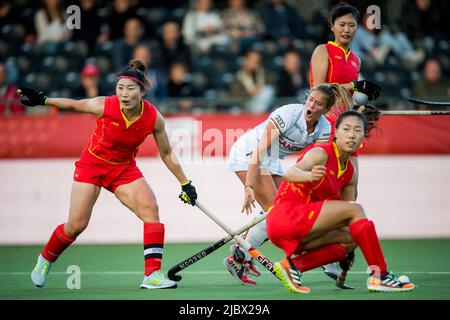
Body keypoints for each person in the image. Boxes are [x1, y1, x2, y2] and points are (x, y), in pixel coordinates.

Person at [17, 59, 198, 289]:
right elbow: (73, 105)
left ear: (142, 92)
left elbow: (167, 153)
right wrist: (44, 100)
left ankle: (152, 275)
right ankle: (45, 259)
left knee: (150, 209)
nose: (124, 94)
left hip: (123, 169)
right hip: (92, 165)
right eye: (120, 88)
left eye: (130, 89)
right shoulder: (104, 105)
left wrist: (185, 183)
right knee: (76, 226)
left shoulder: (154, 118)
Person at [268, 110, 415, 293]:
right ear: (335, 132)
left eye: (357, 130)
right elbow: (289, 173)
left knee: (349, 239)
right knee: (355, 210)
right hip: (285, 218)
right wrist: (307, 175)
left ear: (362, 137)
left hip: (305, 227)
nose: (352, 134)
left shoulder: (350, 174)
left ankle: (292, 266)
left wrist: (349, 252)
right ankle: (380, 275)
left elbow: (350, 218)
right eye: (346, 129)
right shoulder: (320, 154)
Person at [223, 83, 354, 285]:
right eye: (311, 100)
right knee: (276, 211)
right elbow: (259, 151)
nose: (311, 106)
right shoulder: (288, 114)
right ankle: (239, 256)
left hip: (274, 160)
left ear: (325, 110)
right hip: (249, 153)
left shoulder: (324, 128)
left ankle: (240, 255)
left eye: (318, 104)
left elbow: (317, 161)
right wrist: (248, 185)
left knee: (288, 208)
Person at [309, 3, 381, 278]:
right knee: (322, 196)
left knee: (350, 192)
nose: (347, 29)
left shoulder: (356, 60)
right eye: (342, 24)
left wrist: (361, 109)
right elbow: (318, 91)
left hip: (346, 132)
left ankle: (331, 255)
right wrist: (355, 86)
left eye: (352, 25)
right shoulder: (323, 51)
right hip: (325, 130)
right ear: (332, 26)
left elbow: (346, 100)